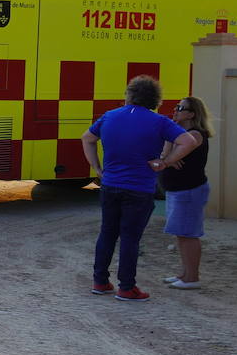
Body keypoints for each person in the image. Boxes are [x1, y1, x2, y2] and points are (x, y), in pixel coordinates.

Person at [81, 76, 199, 301]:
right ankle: (126, 287)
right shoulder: (159, 122)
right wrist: (165, 161)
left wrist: (97, 167)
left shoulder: (110, 116)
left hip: (110, 184)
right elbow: (189, 142)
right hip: (139, 188)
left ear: (129, 95)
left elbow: (87, 138)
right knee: (130, 238)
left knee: (107, 233)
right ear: (155, 99)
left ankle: (100, 281)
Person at [158, 96, 213, 289]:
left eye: (180, 108)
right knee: (181, 233)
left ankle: (192, 278)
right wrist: (168, 157)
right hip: (178, 190)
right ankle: (185, 273)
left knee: (188, 233)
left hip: (189, 190)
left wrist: (168, 158)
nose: (175, 110)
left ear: (191, 113)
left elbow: (172, 156)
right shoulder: (179, 133)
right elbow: (166, 155)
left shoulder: (195, 135)